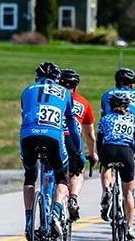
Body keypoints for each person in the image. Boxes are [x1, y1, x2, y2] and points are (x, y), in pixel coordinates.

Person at [19, 62, 84, 238]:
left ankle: (28, 221)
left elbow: (24, 117)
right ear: (57, 80)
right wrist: (78, 152)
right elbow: (72, 126)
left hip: (28, 136)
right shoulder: (64, 92)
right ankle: (55, 211)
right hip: (53, 136)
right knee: (61, 176)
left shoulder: (27, 90)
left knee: (30, 176)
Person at [97, 92, 135, 240]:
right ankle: (129, 226)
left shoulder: (104, 119)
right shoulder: (133, 119)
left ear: (110, 106)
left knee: (105, 167)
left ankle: (106, 190)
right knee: (128, 193)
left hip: (109, 149)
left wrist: (100, 157)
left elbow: (99, 142)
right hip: (126, 152)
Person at [100, 68, 135, 208]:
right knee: (134, 158)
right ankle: (131, 191)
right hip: (130, 135)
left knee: (105, 164)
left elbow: (104, 118)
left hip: (110, 135)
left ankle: (106, 190)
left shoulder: (106, 95)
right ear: (132, 84)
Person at [58, 68, 99, 221]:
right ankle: (73, 198)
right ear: (75, 86)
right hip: (73, 141)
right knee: (77, 172)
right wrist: (92, 153)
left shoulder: (54, 97)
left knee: (55, 172)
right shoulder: (83, 102)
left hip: (55, 137)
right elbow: (90, 135)